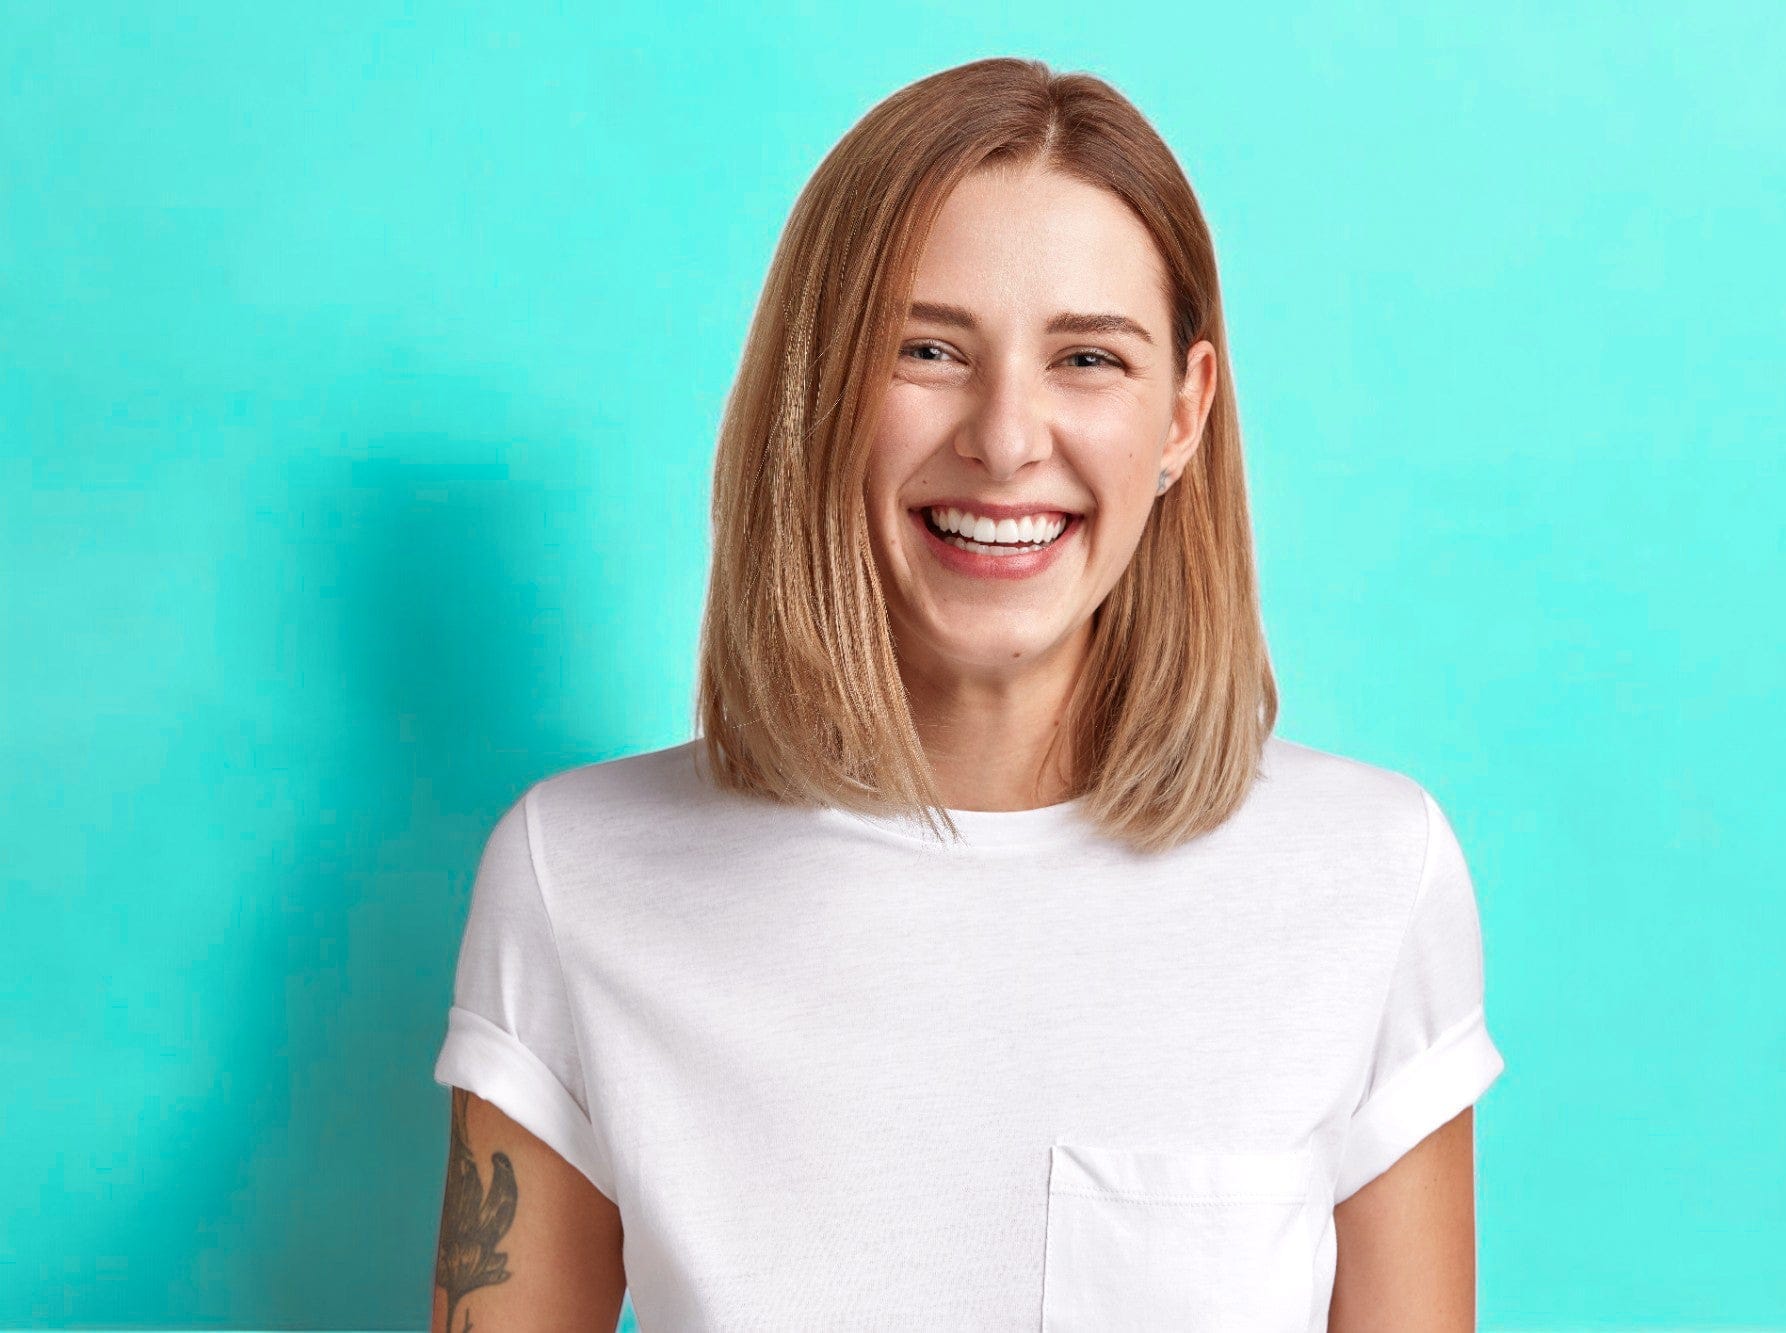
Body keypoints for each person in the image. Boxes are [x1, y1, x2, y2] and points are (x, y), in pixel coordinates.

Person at [430, 55, 1503, 1332]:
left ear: (1181, 415)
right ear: (816, 395)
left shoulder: (1368, 876)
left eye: (1087, 359)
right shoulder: (575, 875)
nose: (1004, 439)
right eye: (926, 348)